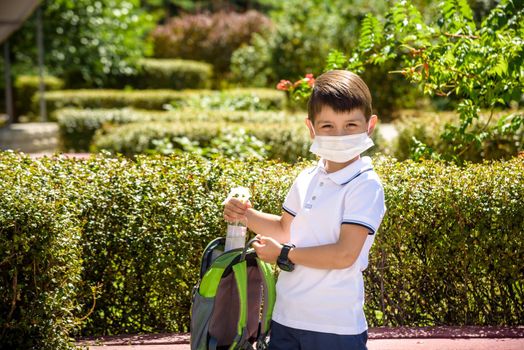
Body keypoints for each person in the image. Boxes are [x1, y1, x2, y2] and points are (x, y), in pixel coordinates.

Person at [223, 70, 386, 350]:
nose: (339, 135)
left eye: (350, 125)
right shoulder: (308, 177)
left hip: (335, 328)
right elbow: (285, 229)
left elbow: (345, 254)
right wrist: (244, 214)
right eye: (327, 126)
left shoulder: (365, 184)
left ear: (369, 125)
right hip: (287, 319)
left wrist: (283, 254)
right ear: (311, 128)